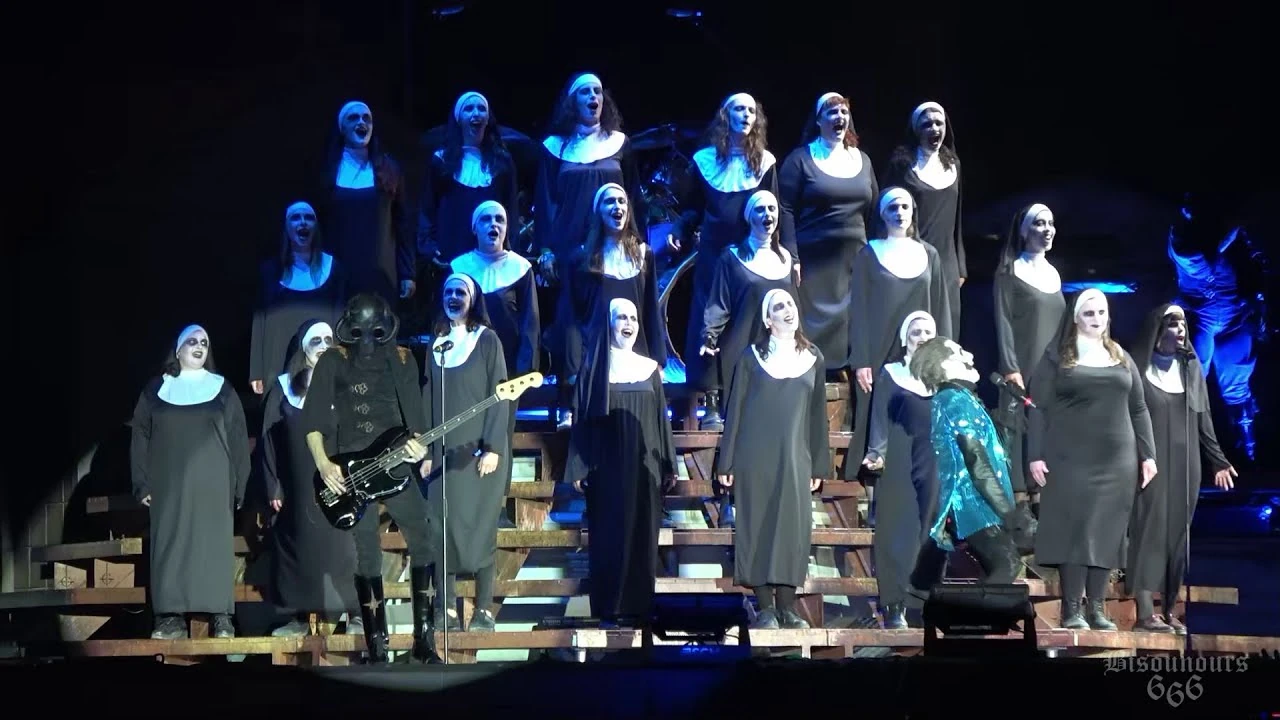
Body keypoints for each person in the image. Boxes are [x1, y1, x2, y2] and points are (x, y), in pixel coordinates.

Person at [301, 293, 438, 663]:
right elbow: (312, 419)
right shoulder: (333, 360)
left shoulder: (403, 358)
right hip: (352, 470)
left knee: (423, 540)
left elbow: (416, 420)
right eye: (359, 333)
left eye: (374, 333)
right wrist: (324, 464)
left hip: (395, 464)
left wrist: (420, 448)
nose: (366, 342)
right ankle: (377, 645)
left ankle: (424, 640)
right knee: (367, 554)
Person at [1027, 289, 1157, 631]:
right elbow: (1038, 408)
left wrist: (1149, 455)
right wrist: (1035, 455)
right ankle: (1072, 608)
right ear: (1075, 318)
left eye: (1101, 312)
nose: (1096, 319)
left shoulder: (1120, 356)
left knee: (1106, 531)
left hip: (1117, 459)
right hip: (1069, 456)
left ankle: (1097, 609)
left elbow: (1139, 407)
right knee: (1075, 529)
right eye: (1089, 313)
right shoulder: (1057, 357)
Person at [718, 289, 829, 629]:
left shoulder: (813, 358)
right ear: (768, 320)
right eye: (779, 306)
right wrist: (726, 461)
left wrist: (819, 465)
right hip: (755, 455)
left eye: (790, 303)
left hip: (795, 456)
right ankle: (765, 607)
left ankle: (787, 607)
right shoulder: (751, 358)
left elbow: (817, 417)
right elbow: (735, 410)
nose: (787, 309)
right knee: (759, 525)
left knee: (792, 529)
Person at [130, 324, 250, 640]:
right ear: (178, 349)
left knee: (214, 548)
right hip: (169, 487)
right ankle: (170, 618)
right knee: (170, 547)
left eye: (205, 343)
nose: (199, 346)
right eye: (193, 341)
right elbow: (140, 436)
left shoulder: (222, 389)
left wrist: (241, 485)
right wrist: (141, 483)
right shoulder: (156, 390)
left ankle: (221, 617)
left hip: (214, 486)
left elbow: (238, 438)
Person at [566, 298, 678, 625]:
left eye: (633, 318)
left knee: (643, 537)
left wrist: (668, 463)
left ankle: (639, 609)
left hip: (645, 468)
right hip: (606, 466)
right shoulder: (594, 367)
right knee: (607, 537)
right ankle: (608, 610)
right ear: (609, 323)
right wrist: (578, 464)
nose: (628, 323)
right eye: (621, 318)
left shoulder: (649, 368)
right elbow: (581, 419)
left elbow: (661, 420)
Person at [1128, 303, 1236, 633]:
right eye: (1173, 324)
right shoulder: (1137, 368)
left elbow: (1204, 418)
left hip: (1187, 463)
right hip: (1149, 463)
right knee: (1150, 529)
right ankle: (1145, 611)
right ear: (1158, 329)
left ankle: (1170, 608)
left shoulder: (1191, 369)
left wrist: (1218, 460)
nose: (1180, 330)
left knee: (1177, 535)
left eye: (1184, 324)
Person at [678, 91, 780, 430]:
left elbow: (775, 209)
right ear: (725, 116)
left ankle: (749, 395)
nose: (746, 115)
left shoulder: (765, 162)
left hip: (750, 252)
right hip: (713, 253)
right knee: (710, 320)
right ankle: (710, 402)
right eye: (739, 109)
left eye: (751, 110)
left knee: (746, 322)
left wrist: (787, 253)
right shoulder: (705, 160)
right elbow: (693, 206)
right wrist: (680, 228)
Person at [904, 336, 1029, 600]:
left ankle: (947, 603)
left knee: (1005, 562)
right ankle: (973, 618)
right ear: (943, 365)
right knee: (1007, 563)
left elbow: (996, 453)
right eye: (959, 352)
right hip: (970, 501)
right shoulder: (953, 400)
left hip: (977, 499)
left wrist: (1010, 413)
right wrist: (1007, 512)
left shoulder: (962, 398)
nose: (970, 356)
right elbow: (975, 459)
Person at [422, 273, 510, 633]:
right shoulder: (436, 344)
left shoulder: (487, 340)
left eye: (461, 292)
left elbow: (500, 395)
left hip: (479, 451)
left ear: (473, 300)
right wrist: (428, 451)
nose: (454, 297)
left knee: (481, 527)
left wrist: (493, 447)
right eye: (449, 291)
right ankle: (445, 608)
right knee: (441, 529)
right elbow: (428, 399)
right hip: (443, 454)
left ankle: (483, 609)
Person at [260, 320, 360, 637]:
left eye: (329, 340)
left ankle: (357, 613)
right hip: (297, 485)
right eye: (316, 340)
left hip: (340, 481)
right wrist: (273, 485)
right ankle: (297, 617)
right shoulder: (283, 387)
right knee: (296, 549)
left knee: (345, 547)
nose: (323, 345)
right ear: (303, 347)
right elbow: (268, 441)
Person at [777, 91, 879, 382]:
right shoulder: (800, 159)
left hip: (854, 259)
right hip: (813, 260)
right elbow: (785, 208)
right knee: (813, 318)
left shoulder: (862, 160)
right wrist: (792, 255)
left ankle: (844, 370)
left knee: (850, 316)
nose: (839, 117)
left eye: (844, 112)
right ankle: (811, 368)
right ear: (818, 120)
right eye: (832, 112)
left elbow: (873, 208)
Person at [450, 200, 540, 528]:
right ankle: (464, 505)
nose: (494, 225)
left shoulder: (520, 268)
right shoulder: (459, 267)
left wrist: (524, 370)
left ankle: (495, 506)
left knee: (498, 436)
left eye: (500, 219)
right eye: (486, 219)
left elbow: (530, 324)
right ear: (474, 227)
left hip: (507, 370)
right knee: (465, 433)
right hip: (465, 365)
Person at [847, 187, 952, 467]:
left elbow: (941, 308)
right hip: (879, 348)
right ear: (882, 214)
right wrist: (861, 360)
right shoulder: (869, 254)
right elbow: (859, 310)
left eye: (905, 206)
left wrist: (943, 357)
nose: (900, 212)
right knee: (878, 418)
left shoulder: (929, 254)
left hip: (921, 350)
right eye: (893, 207)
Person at [555, 183, 665, 429]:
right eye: (610, 201)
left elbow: (650, 310)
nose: (618, 206)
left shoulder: (644, 255)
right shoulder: (581, 258)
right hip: (595, 357)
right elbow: (572, 315)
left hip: (635, 354)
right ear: (598, 212)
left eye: (622, 201)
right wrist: (573, 366)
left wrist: (657, 359)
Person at [1167, 193, 1267, 460]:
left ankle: (1248, 447)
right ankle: (1182, 449)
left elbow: (1258, 267)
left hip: (1236, 316)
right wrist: (1231, 232)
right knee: (1192, 379)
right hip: (1203, 316)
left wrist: (1257, 302)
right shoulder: (1182, 236)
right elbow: (1198, 261)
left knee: (1237, 385)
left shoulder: (1236, 234)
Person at [861, 311, 940, 629]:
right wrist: (876, 452)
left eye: (928, 332)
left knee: (929, 532)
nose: (922, 337)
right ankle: (894, 604)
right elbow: (880, 418)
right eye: (916, 332)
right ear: (905, 339)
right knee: (897, 532)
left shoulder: (945, 377)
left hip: (933, 461)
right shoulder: (891, 374)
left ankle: (922, 604)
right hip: (899, 459)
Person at [992, 202, 1065, 510]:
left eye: (1050, 223)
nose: (1046, 230)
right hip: (1022, 365)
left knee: (1046, 431)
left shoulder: (1054, 274)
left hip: (1052, 368)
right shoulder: (1010, 271)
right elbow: (1003, 321)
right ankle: (1020, 507)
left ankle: (1043, 501)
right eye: (1039, 223)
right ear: (1024, 231)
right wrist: (1011, 367)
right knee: (1019, 433)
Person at [881, 101, 965, 334]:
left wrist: (960, 265)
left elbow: (957, 218)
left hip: (947, 262)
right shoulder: (902, 165)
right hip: (911, 257)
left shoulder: (953, 164)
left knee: (946, 328)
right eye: (927, 124)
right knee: (915, 326)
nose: (934, 129)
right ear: (916, 129)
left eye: (939, 123)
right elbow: (884, 211)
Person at [322, 100, 415, 305]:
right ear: (342, 128)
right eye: (353, 118)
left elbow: (403, 225)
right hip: (340, 271)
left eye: (367, 118)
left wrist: (407, 272)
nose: (361, 122)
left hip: (381, 272)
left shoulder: (389, 170)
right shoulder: (329, 171)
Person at [249, 201, 347, 395]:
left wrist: (340, 364)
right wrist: (256, 371)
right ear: (286, 227)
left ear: (316, 227)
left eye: (308, 218)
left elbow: (340, 322)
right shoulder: (270, 270)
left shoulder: (333, 268)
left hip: (320, 361)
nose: (303, 222)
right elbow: (259, 321)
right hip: (276, 362)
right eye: (296, 217)